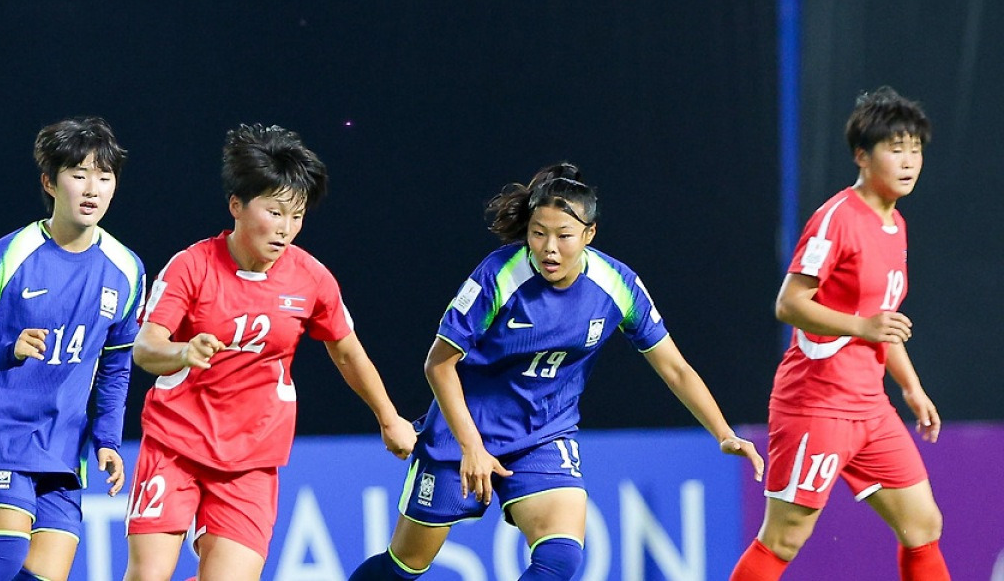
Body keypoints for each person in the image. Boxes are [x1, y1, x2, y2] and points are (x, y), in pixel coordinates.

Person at [349, 163, 764, 581]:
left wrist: (723, 433)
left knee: (561, 558)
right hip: (463, 432)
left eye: (564, 235)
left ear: (589, 233)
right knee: (404, 567)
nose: (549, 248)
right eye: (538, 233)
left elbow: (675, 368)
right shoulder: (499, 275)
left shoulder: (617, 285)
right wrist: (472, 446)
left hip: (543, 435)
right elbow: (438, 364)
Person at [122, 123, 417, 581]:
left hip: (252, 459)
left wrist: (389, 418)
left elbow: (348, 353)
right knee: (148, 576)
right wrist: (183, 352)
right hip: (175, 445)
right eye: (274, 212)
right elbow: (146, 347)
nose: (285, 229)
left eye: (295, 216)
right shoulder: (191, 266)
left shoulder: (311, 279)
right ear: (236, 205)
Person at [729, 86, 949, 581]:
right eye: (896, 148)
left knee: (922, 524)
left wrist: (911, 389)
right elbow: (789, 303)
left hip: (870, 406)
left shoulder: (896, 226)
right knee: (784, 539)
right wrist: (861, 327)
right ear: (861, 155)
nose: (909, 160)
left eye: (915, 148)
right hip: (817, 403)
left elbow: (882, 321)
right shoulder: (837, 219)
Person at [0, 116, 145, 581]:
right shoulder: (10, 254)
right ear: (50, 182)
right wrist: (6, 350)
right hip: (1, 435)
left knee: (43, 577)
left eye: (104, 177)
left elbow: (116, 366)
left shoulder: (127, 269)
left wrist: (108, 439)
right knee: (3, 559)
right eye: (78, 174)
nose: (93, 188)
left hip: (64, 447)